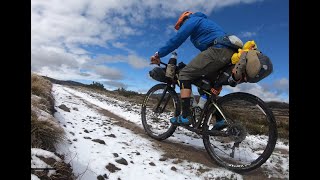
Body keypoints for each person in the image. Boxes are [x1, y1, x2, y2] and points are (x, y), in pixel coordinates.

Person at [150, 11, 273, 129]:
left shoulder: (193, 20)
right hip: (228, 55)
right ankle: (220, 120)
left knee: (184, 74)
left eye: (181, 25)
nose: (182, 27)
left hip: (218, 50)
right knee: (205, 85)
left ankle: (186, 116)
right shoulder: (207, 25)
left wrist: (158, 54)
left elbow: (177, 40)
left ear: (184, 19)